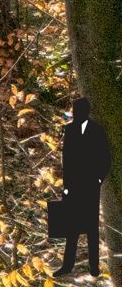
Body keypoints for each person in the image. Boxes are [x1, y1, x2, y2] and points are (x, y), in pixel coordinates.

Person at [60, 97, 111, 278]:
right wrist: (66, 185)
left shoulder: (97, 131)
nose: (77, 114)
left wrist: (98, 179)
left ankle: (94, 267)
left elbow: (105, 157)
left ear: (86, 112)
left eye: (80, 110)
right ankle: (67, 265)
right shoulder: (70, 130)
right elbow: (66, 159)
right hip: (73, 185)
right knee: (71, 227)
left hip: (90, 185)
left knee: (91, 227)